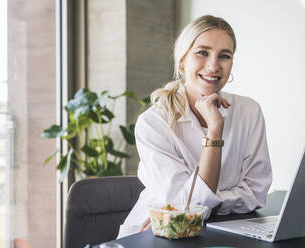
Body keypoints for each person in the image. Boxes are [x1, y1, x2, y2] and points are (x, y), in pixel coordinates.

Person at [117, 15, 272, 238]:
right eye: (202, 52)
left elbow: (256, 192)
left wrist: (208, 203)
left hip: (221, 229)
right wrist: (215, 129)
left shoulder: (249, 111)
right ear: (182, 60)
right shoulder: (153, 123)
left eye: (224, 56)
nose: (213, 66)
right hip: (157, 233)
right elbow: (185, 207)